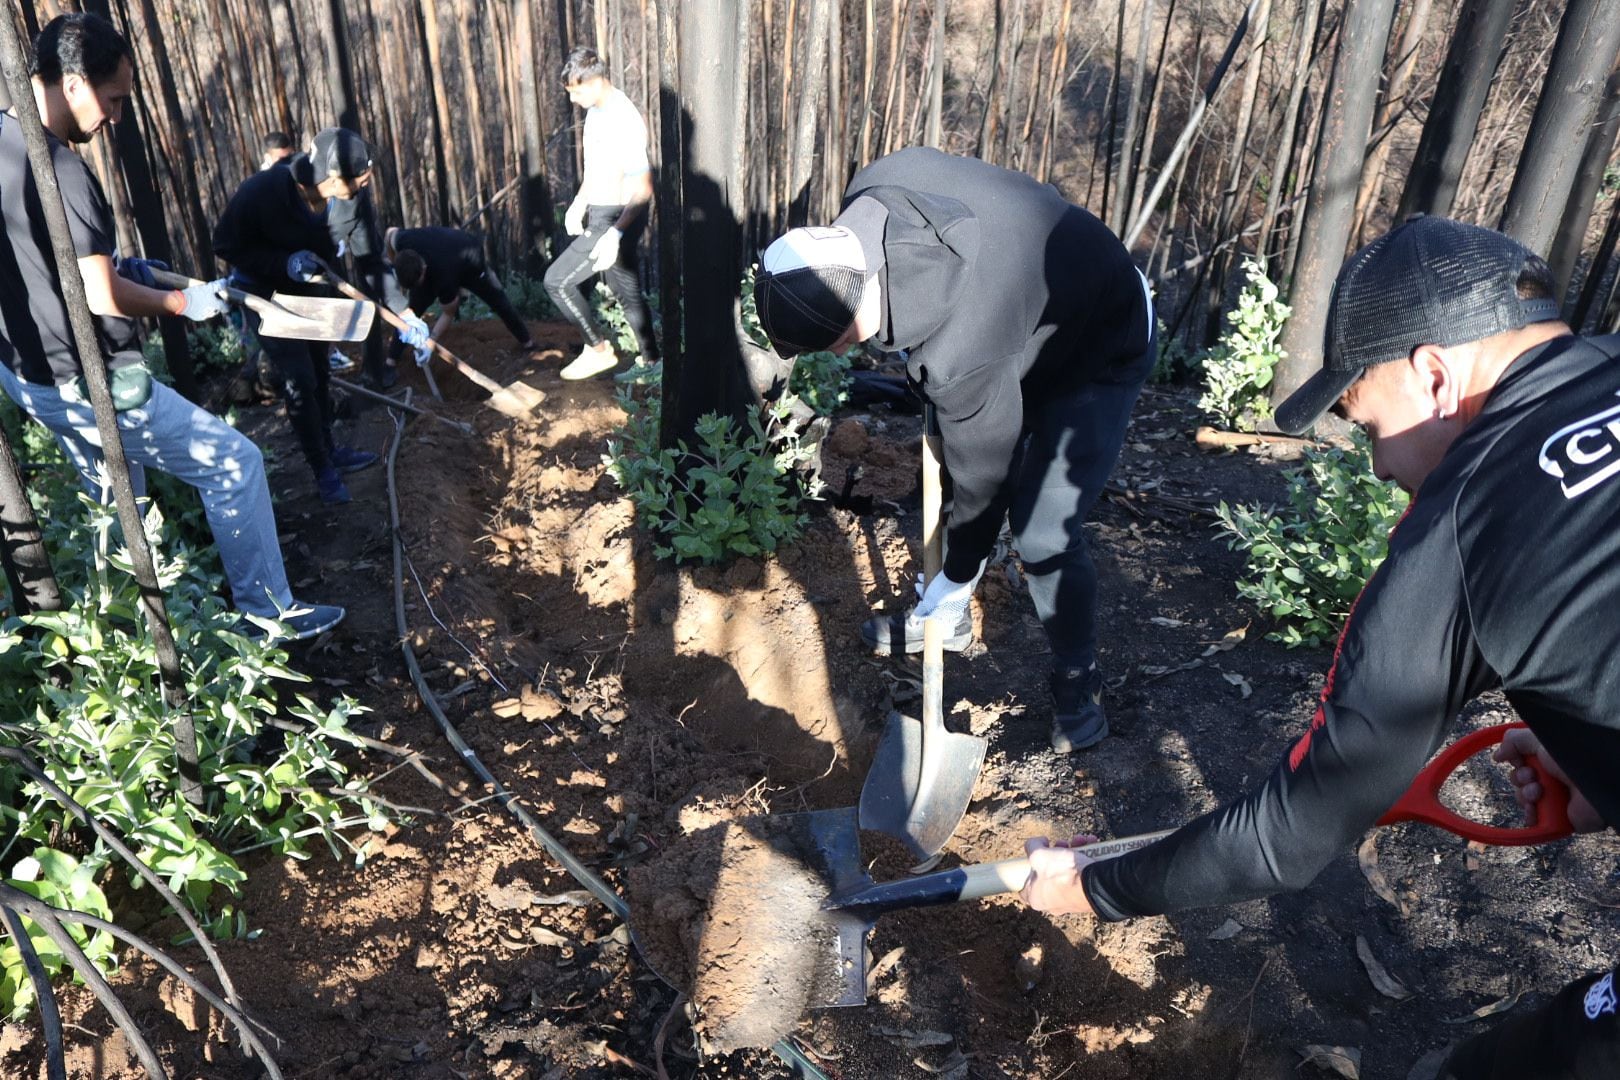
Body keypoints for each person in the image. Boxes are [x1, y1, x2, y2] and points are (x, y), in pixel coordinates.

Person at [1020, 216, 1620, 1078]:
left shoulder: (1456, 531)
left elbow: (1289, 833)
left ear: (1435, 373)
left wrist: (1091, 887)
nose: (1379, 468)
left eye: (1370, 427)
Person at [752, 147, 1156, 752]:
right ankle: (949, 618)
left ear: (861, 297)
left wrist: (959, 570)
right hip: (1018, 311)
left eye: (833, 344)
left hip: (1098, 339)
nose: (836, 357)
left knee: (1043, 532)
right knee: (948, 428)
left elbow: (984, 482)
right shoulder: (872, 191)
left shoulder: (960, 347)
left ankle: (1079, 681)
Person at [0, 13, 342, 639]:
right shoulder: (63, 171)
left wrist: (134, 269)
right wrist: (187, 304)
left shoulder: (1, 137)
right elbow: (101, 297)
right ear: (74, 83)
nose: (115, 118)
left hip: (26, 376)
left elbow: (42, 259)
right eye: (114, 100)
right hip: (87, 379)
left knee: (112, 495)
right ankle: (269, 615)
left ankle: (125, 636)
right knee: (235, 465)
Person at [213, 126, 431, 503]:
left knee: (320, 370)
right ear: (333, 175)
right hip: (264, 293)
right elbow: (225, 244)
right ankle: (322, 469)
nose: (366, 183)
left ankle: (331, 450)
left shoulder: (353, 202)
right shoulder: (264, 191)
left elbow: (372, 260)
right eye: (360, 177)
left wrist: (405, 312)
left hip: (311, 291)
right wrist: (282, 262)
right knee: (298, 377)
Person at [543, 46, 660, 381]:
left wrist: (615, 232)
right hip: (600, 210)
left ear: (595, 82)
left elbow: (645, 187)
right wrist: (580, 201)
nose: (573, 100)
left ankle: (598, 350)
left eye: (576, 92)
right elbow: (596, 170)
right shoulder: (595, 112)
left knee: (557, 281)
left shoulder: (623, 117)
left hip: (617, 215)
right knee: (626, 287)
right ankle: (654, 364)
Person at [384, 225, 536, 357]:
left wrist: (429, 343)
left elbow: (448, 313)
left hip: (471, 260)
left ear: (423, 270)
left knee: (498, 300)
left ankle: (528, 343)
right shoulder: (403, 240)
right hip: (442, 257)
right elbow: (390, 232)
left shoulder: (444, 278)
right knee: (410, 312)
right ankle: (391, 361)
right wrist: (393, 261)